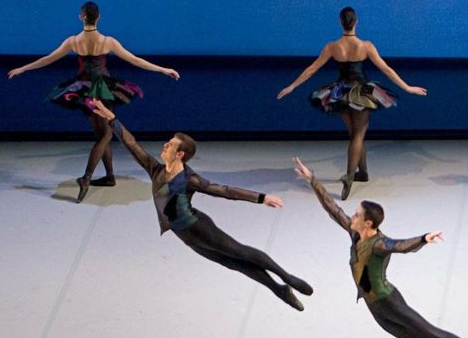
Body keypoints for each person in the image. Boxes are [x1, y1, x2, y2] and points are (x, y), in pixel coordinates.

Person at [296, 157, 468, 338]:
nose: (352, 217)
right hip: (376, 309)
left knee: (434, 334)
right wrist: (312, 180)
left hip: (390, 302)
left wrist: (423, 239)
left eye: (357, 215)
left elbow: (400, 245)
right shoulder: (356, 234)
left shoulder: (379, 243)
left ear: (368, 222)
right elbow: (333, 209)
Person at [87, 100, 311, 310]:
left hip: (197, 226)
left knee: (239, 252)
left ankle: (286, 277)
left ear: (180, 154)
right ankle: (279, 290)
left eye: (171, 145)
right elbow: (131, 143)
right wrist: (111, 118)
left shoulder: (189, 179)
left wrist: (261, 198)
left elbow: (224, 191)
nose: (165, 145)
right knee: (233, 263)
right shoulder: (154, 169)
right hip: (184, 235)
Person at [9, 1, 179, 202]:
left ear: (81, 17)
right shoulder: (107, 41)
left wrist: (23, 68)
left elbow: (48, 58)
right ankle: (87, 177)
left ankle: (109, 176)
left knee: (102, 133)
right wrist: (162, 69)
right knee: (105, 134)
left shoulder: (73, 41)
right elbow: (135, 60)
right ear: (98, 17)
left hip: (85, 89)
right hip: (104, 89)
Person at [277, 7, 427, 200]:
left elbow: (311, 69)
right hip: (361, 93)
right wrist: (407, 87)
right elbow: (386, 69)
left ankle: (362, 173)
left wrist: (291, 86)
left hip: (340, 93)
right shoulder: (365, 46)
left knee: (354, 134)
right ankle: (349, 175)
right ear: (356, 22)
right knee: (358, 135)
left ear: (341, 22)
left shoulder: (333, 47)